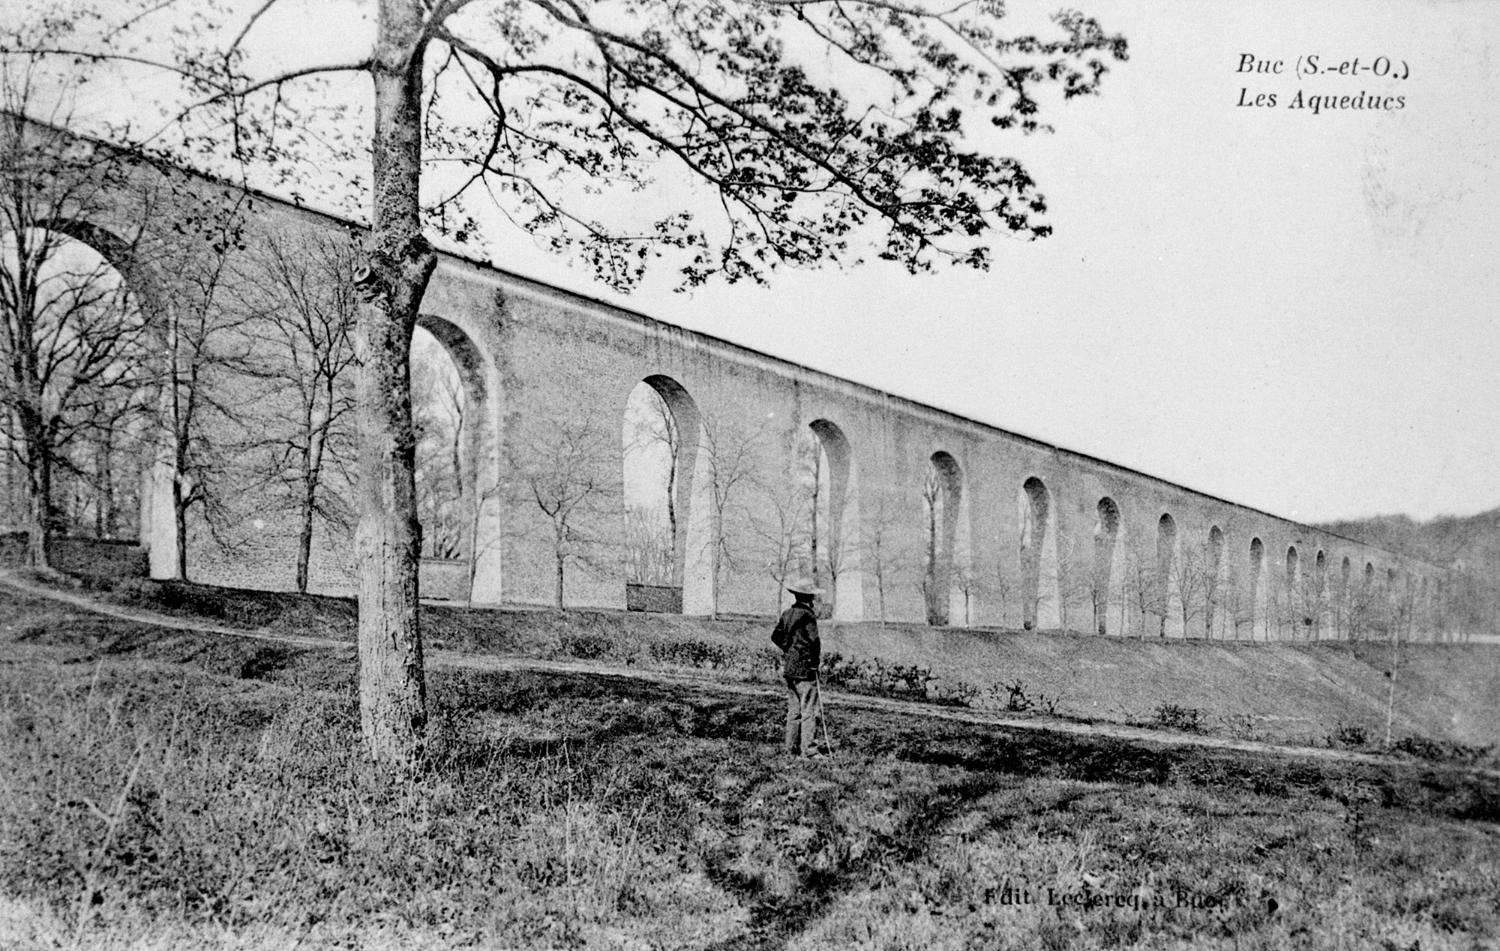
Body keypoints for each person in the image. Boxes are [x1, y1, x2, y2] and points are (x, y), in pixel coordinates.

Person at [771, 580, 825, 757]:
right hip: (804, 669)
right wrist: (814, 663)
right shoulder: (808, 615)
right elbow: (814, 641)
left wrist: (790, 649)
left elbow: (776, 636)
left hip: (790, 668)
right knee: (809, 710)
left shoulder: (787, 613)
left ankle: (790, 749)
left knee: (794, 711)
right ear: (809, 597)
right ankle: (809, 751)